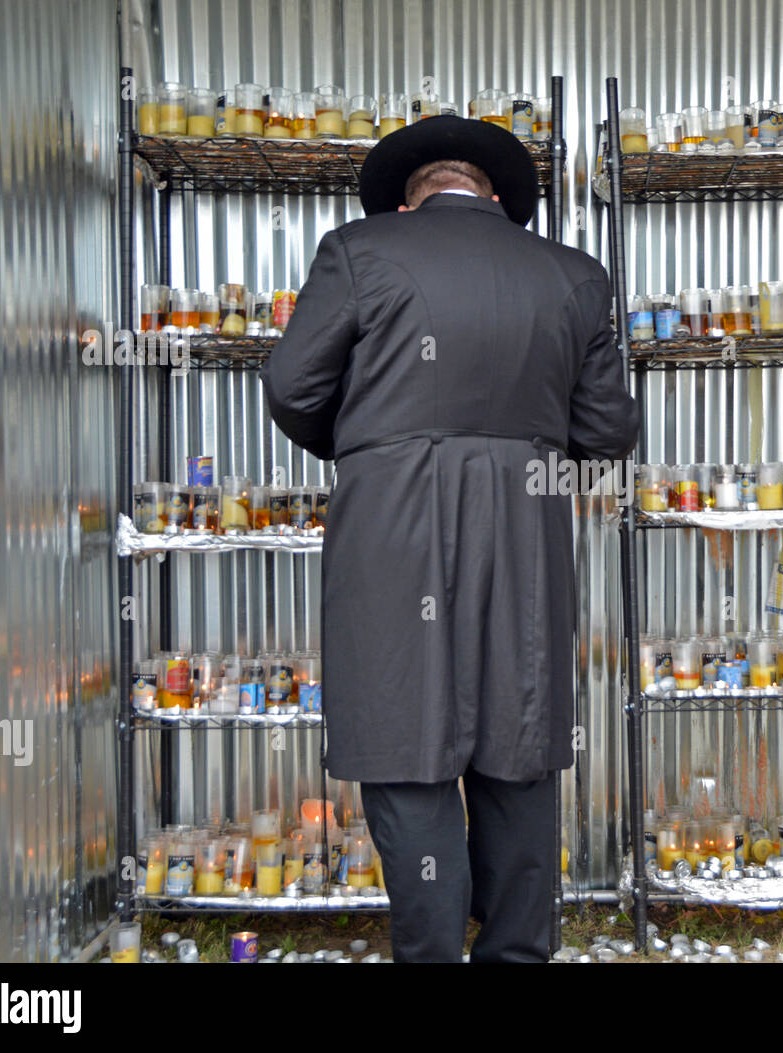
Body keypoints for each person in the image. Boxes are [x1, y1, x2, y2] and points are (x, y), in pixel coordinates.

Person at [259, 115, 639, 962]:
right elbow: (611, 430)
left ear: (408, 203)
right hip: (526, 532)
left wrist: (377, 447)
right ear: (497, 197)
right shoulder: (575, 276)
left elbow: (292, 387)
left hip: (393, 532)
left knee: (407, 735)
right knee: (520, 741)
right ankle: (514, 951)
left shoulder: (359, 252)